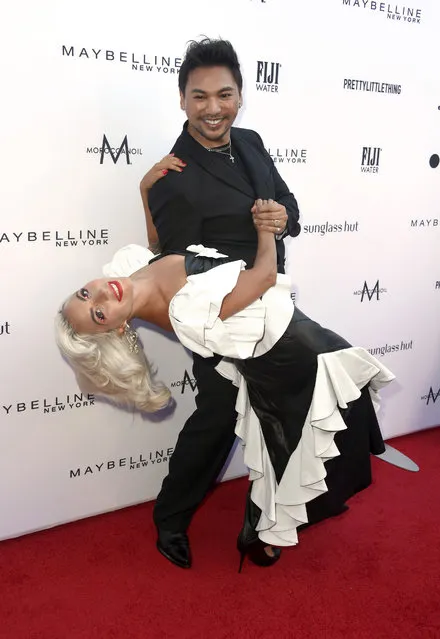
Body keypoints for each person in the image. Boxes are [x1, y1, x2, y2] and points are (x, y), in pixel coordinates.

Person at [55, 205, 394, 572]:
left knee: (289, 429)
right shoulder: (181, 309)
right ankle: (174, 520)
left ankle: (260, 528)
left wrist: (144, 191)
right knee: (234, 429)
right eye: (98, 315)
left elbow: (158, 244)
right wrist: (266, 229)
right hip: (230, 338)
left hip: (244, 334)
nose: (99, 297)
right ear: (118, 329)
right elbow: (263, 276)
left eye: (85, 295)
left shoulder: (127, 269)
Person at [137, 37, 301, 569]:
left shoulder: (251, 141)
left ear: (240, 96)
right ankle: (171, 517)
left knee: (282, 410)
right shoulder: (173, 174)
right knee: (219, 415)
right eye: (200, 96)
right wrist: (230, 308)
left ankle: (262, 524)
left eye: (225, 95)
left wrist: (282, 218)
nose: (214, 108)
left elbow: (289, 205)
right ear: (182, 100)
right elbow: (176, 264)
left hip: (270, 302)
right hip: (220, 315)